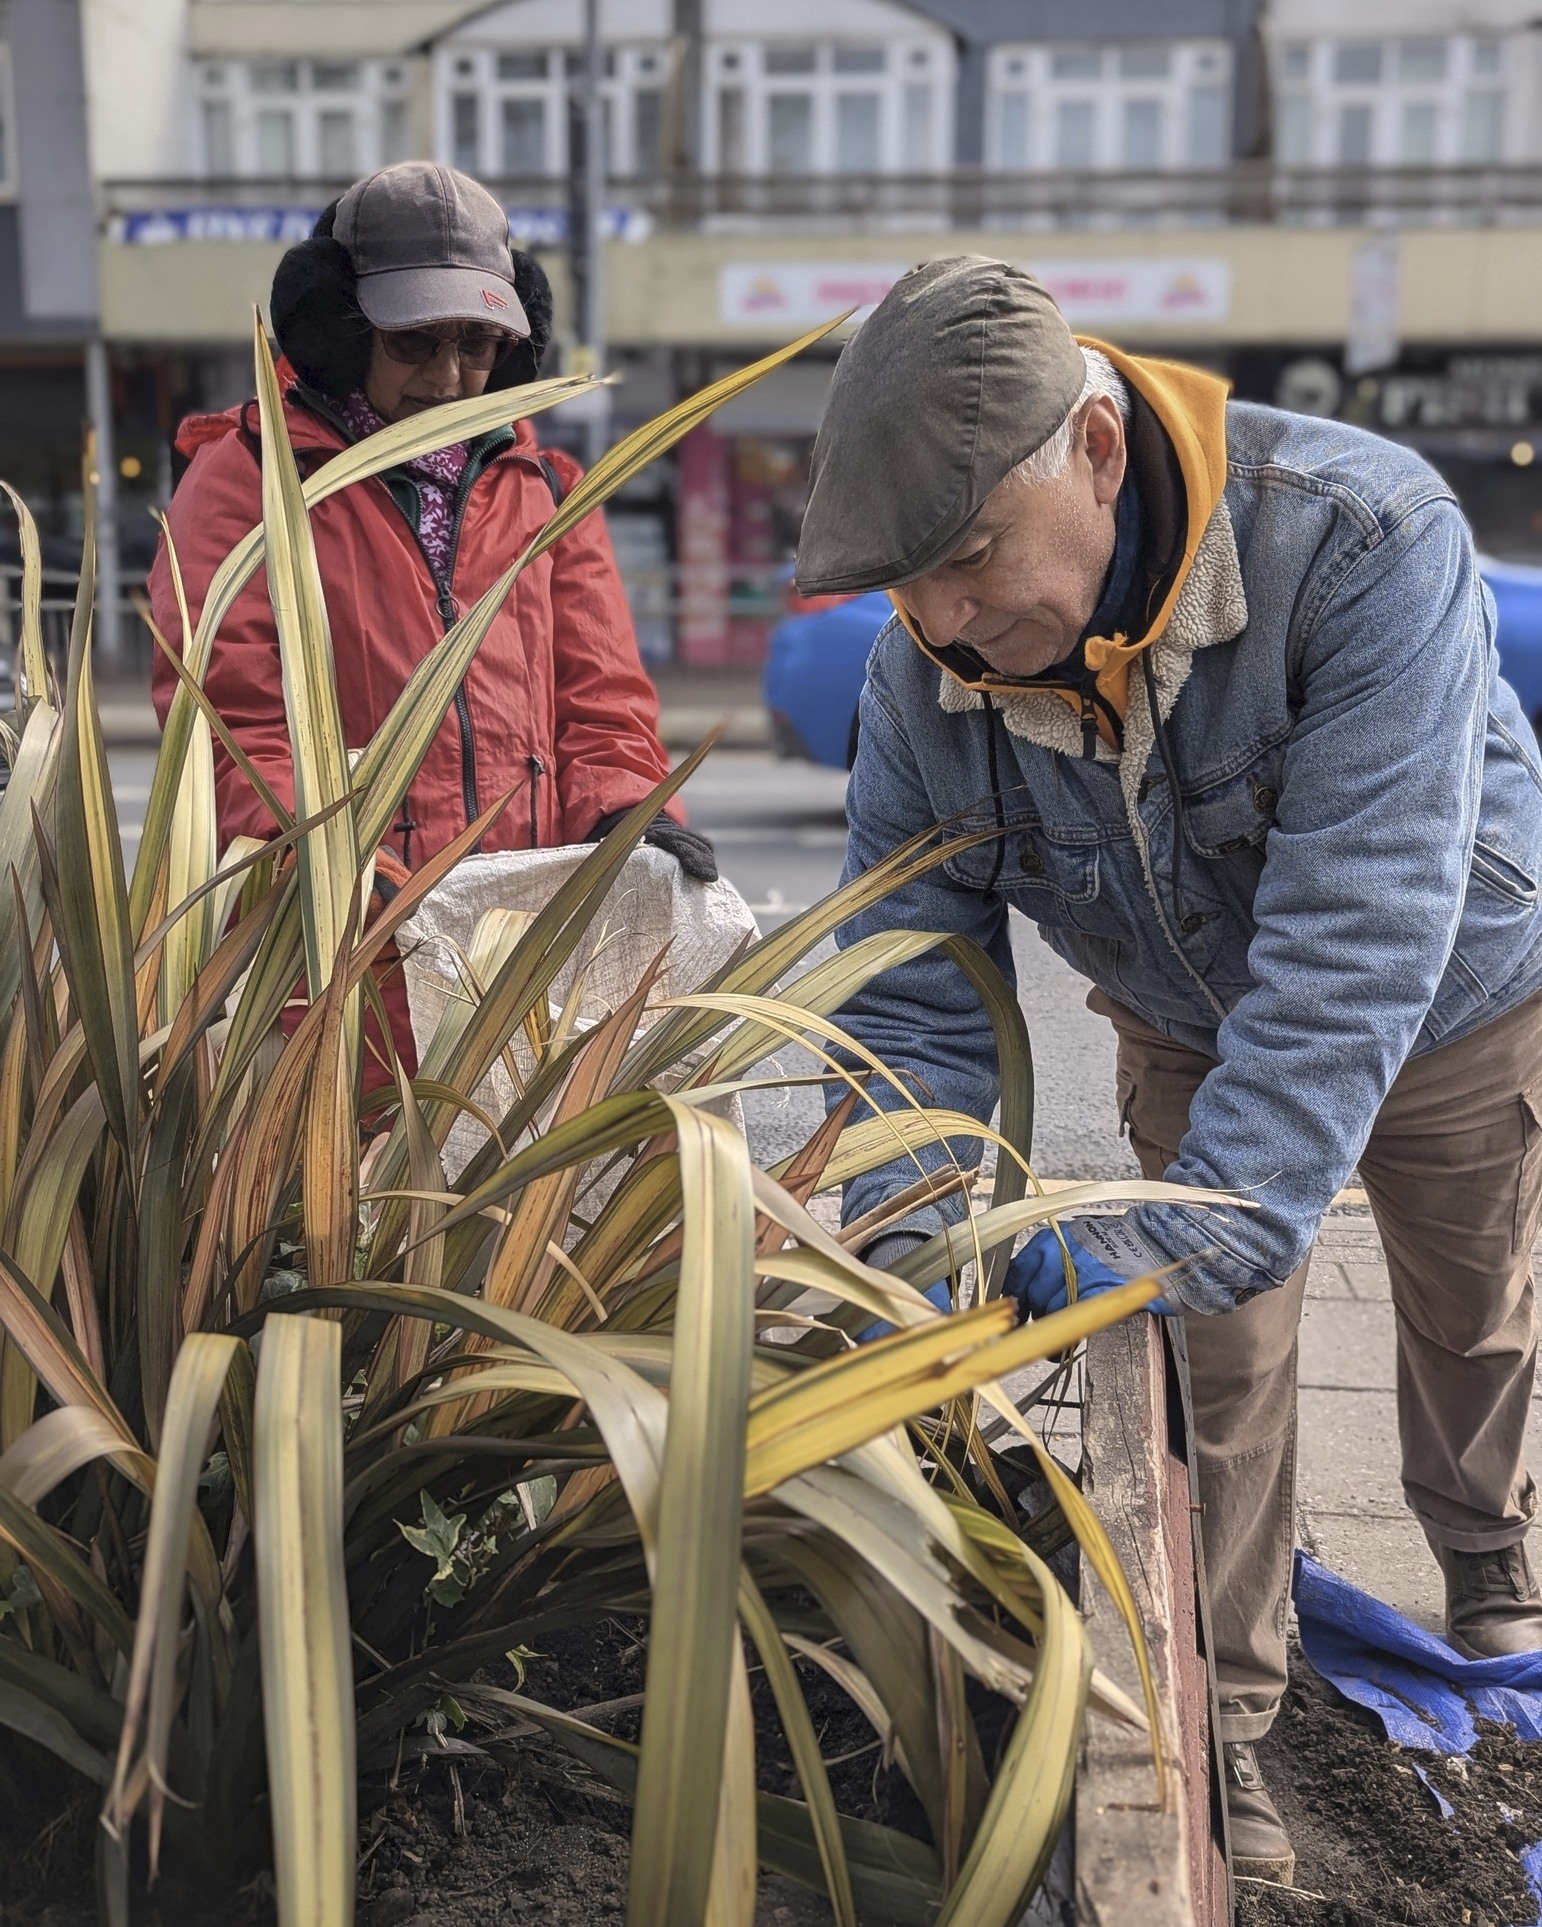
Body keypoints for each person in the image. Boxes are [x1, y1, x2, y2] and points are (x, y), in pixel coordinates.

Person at [795, 255, 1542, 1886]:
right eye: (903, 585)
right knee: (1209, 1379)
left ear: (1098, 449)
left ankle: (1487, 1555)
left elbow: (1351, 955)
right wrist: (932, 1240)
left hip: (1455, 997)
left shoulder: (1359, 541)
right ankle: (1227, 1732)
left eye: (972, 559)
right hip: (1179, 1016)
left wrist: (1199, 1221)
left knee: (1468, 1303)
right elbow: (908, 989)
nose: (940, 622)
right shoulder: (923, 676)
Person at [150, 160, 712, 1071]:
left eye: (478, 342)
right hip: (334, 958)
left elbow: (603, 704)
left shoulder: (548, 488)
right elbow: (232, 727)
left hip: (519, 959)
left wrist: (629, 816)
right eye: (414, 343)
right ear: (341, 327)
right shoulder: (246, 485)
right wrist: (331, 865)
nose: (450, 377)